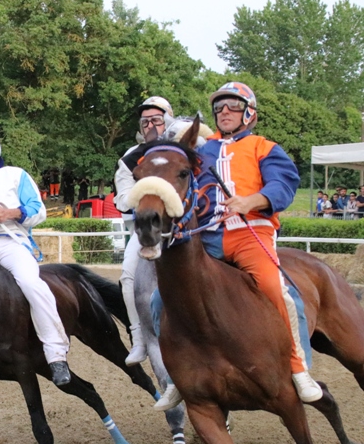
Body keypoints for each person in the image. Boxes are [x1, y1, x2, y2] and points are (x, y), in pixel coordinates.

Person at [154, 81, 322, 410]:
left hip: (251, 232)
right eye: (219, 109)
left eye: (232, 107)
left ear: (249, 114)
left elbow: (283, 184)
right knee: (161, 297)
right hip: (209, 235)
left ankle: (299, 368)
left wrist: (253, 200)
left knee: (276, 288)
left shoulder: (265, 147)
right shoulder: (202, 151)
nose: (224, 113)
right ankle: (177, 377)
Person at [0, 130, 71, 386]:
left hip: (12, 244)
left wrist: (10, 213)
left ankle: (56, 355)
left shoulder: (15, 175)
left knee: (32, 285)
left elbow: (38, 211)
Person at [114, 96, 175, 366]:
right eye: (145, 121)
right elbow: (124, 197)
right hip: (146, 227)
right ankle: (138, 338)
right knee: (128, 275)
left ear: (169, 120)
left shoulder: (181, 147)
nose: (151, 125)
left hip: (181, 225)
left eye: (157, 120)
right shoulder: (130, 158)